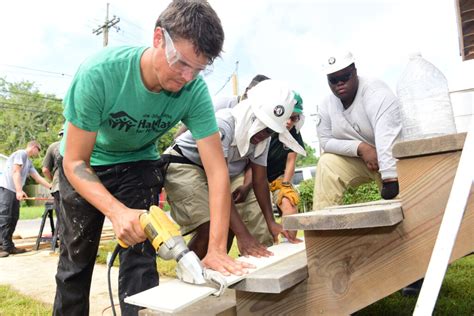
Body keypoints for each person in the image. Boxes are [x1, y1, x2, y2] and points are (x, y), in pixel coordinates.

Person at [54, 1, 250, 315]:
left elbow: (217, 172)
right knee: (75, 266)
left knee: (142, 266)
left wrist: (215, 249)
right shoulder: (100, 73)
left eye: (198, 69)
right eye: (181, 62)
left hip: (138, 164)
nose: (187, 77)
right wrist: (117, 212)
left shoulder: (194, 92)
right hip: (86, 165)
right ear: (159, 38)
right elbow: (75, 162)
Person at [164, 80, 304, 260]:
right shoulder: (224, 123)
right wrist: (244, 236)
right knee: (211, 227)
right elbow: (218, 182)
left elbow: (259, 181)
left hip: (215, 172)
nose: (264, 133)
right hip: (184, 163)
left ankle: (211, 272)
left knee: (226, 227)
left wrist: (271, 222)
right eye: (263, 126)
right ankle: (188, 274)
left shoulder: (265, 137)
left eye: (270, 130)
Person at [313, 51, 401, 210]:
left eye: (345, 76)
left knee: (403, 205)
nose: (339, 83)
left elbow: (387, 136)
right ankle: (323, 227)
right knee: (326, 163)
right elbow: (325, 141)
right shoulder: (326, 104)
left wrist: (389, 177)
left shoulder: (375, 92)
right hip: (364, 159)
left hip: (394, 158)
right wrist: (360, 148)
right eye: (333, 80)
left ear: (355, 72)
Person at [0, 141, 51, 258]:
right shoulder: (21, 153)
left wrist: (51, 187)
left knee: (13, 218)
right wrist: (19, 190)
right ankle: (1, 247)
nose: (38, 153)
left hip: (14, 192)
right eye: (39, 150)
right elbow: (16, 171)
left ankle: (8, 246)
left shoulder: (29, 161)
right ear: (33, 147)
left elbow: (37, 178)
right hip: (7, 189)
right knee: (5, 218)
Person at [42, 129, 63, 214]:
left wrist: (52, 181)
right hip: (76, 188)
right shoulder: (79, 145)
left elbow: (45, 170)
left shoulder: (54, 146)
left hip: (58, 186)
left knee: (61, 218)